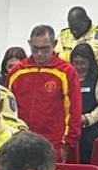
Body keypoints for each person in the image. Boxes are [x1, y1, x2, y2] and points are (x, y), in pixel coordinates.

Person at [8, 24, 81, 162]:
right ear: (29, 44)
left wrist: (67, 144)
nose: (39, 54)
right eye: (35, 49)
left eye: (45, 49)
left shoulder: (66, 72)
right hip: (19, 143)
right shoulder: (17, 72)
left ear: (54, 44)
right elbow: (7, 110)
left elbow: (73, 111)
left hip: (53, 145)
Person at [71, 43, 98, 165]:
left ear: (90, 61)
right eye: (76, 62)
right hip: (71, 127)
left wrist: (87, 119)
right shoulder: (68, 74)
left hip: (91, 128)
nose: (79, 66)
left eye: (83, 63)